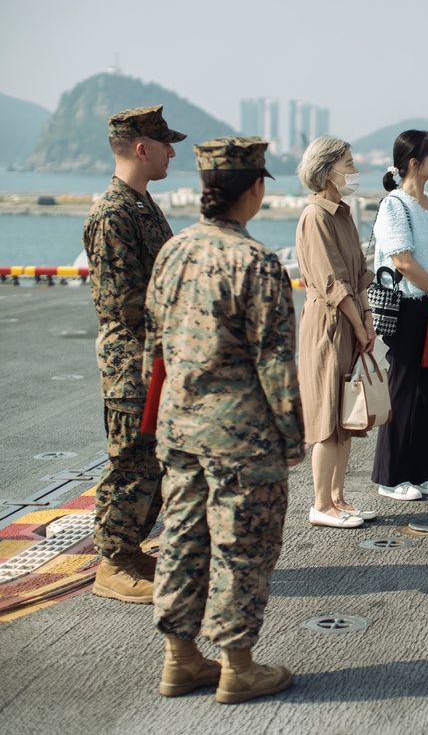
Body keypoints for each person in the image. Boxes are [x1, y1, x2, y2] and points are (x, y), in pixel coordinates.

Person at [144, 136, 304, 704]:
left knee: (183, 538)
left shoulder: (174, 250)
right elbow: (276, 360)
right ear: (255, 189)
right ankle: (238, 667)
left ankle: (180, 660)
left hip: (178, 426)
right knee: (242, 545)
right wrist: (292, 436)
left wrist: (158, 416)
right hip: (240, 435)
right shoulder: (256, 261)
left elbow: (153, 345)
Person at [82, 105, 185, 604]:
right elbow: (121, 303)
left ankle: (132, 548)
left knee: (155, 461)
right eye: (165, 143)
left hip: (160, 357)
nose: (171, 151)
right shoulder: (113, 213)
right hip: (133, 362)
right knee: (131, 461)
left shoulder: (143, 204)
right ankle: (113, 562)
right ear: (141, 148)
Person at [371, 131, 428, 500]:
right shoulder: (394, 205)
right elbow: (402, 261)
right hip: (407, 306)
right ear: (414, 163)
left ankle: (423, 473)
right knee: (404, 391)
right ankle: (391, 478)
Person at [295, 136, 375, 527]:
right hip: (328, 321)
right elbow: (332, 281)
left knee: (347, 413)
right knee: (327, 415)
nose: (353, 169)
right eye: (347, 163)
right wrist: (360, 324)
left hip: (352, 318)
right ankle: (320, 504)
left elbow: (358, 273)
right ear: (327, 170)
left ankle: (339, 498)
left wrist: (368, 318)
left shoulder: (342, 212)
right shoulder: (315, 217)